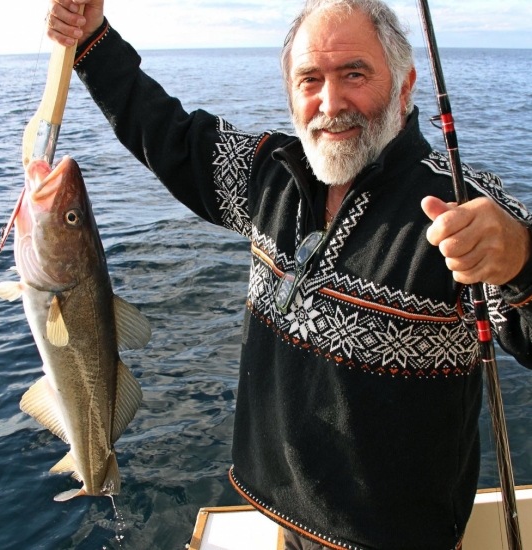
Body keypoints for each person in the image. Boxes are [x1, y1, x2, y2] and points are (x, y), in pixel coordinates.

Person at [47, 0, 532, 548]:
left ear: (404, 84)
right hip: (279, 512)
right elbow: (168, 135)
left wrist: (522, 259)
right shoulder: (268, 174)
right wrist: (92, 40)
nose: (330, 102)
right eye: (309, 80)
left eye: (354, 74)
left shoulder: (464, 208)